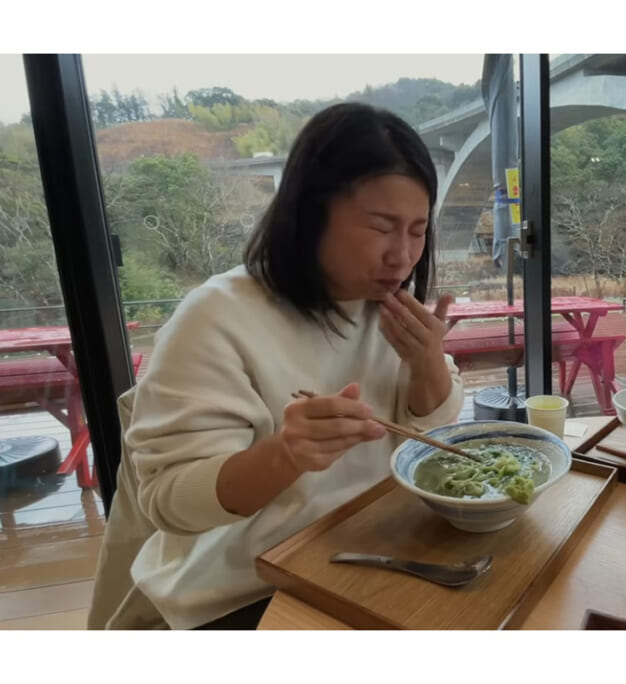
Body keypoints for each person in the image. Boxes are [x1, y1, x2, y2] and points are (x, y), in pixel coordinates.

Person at [88, 102, 464, 630]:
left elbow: (435, 452)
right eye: (382, 227)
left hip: (373, 558)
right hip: (241, 590)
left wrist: (429, 365)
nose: (402, 256)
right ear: (311, 215)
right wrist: (284, 455)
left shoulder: (395, 310)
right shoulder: (218, 317)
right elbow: (167, 502)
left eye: (418, 230)